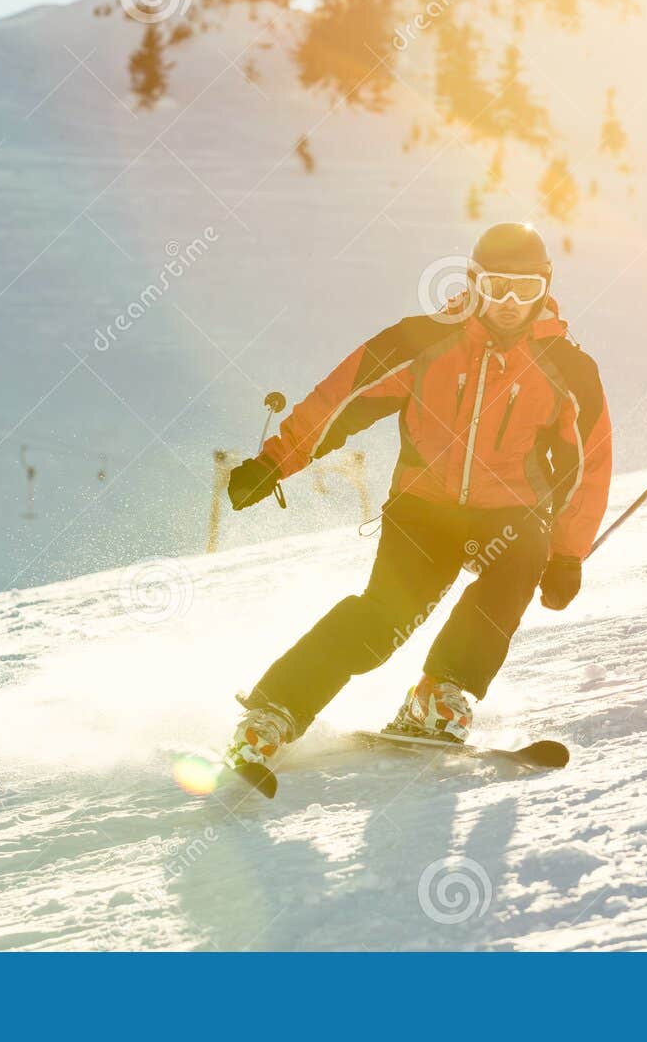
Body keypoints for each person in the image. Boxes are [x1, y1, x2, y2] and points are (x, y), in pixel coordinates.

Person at [221, 222, 613, 771]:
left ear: (545, 287)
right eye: (497, 286)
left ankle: (439, 692)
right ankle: (274, 711)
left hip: (509, 514)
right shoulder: (421, 341)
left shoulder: (568, 368)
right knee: (384, 619)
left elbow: (588, 464)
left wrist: (567, 554)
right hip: (424, 511)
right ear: (473, 282)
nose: (509, 303)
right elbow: (340, 401)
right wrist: (275, 461)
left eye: (525, 289)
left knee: (519, 564)